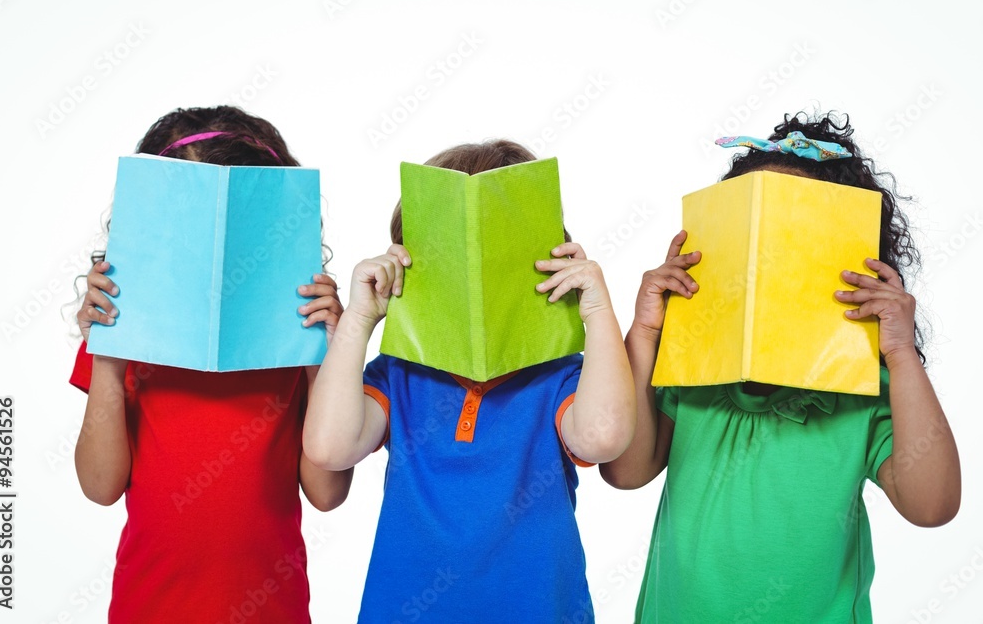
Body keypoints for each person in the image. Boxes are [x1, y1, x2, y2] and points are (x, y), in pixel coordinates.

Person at [601, 112, 961, 623]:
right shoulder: (693, 366)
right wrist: (645, 333)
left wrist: (900, 356)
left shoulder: (862, 386)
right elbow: (624, 472)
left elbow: (933, 506)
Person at [303, 140, 636, 622]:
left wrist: (599, 314)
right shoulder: (400, 375)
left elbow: (603, 438)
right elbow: (330, 448)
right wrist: (358, 318)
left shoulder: (562, 376)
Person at [71, 105, 349, 624]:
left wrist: (322, 357)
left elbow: (328, 493)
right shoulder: (126, 333)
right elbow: (100, 486)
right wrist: (107, 353)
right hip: (147, 607)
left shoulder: (296, 333)